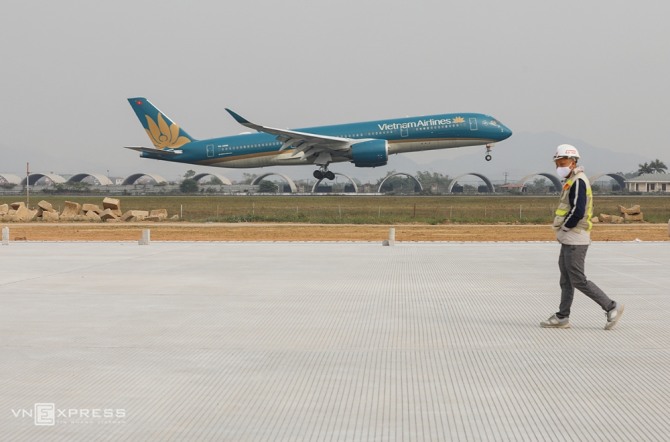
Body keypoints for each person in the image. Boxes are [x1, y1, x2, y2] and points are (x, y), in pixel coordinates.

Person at [540, 144, 624, 330]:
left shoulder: (578, 181)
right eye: (557, 163)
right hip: (569, 238)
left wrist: (565, 228)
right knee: (566, 279)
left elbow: (578, 211)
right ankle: (563, 317)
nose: (559, 166)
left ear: (573, 162)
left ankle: (611, 306)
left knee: (577, 279)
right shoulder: (572, 180)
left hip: (575, 238)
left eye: (562, 162)